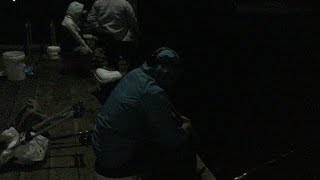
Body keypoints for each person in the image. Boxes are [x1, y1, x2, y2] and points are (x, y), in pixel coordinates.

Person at [92, 47, 197, 180]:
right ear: (166, 72)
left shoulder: (135, 74)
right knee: (179, 150)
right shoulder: (153, 92)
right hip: (114, 159)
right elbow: (171, 140)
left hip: (101, 147)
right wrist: (185, 130)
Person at [86, 0, 139, 69]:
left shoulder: (98, 2)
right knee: (123, 58)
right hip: (121, 36)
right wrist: (137, 31)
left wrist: (100, 29)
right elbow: (132, 19)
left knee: (107, 59)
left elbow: (90, 18)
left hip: (104, 36)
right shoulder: (124, 3)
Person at [61, 1, 93, 76]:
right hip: (69, 49)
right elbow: (77, 37)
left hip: (72, 46)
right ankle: (84, 71)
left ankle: (82, 67)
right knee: (85, 50)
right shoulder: (69, 23)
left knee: (90, 42)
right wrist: (88, 49)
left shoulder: (70, 20)